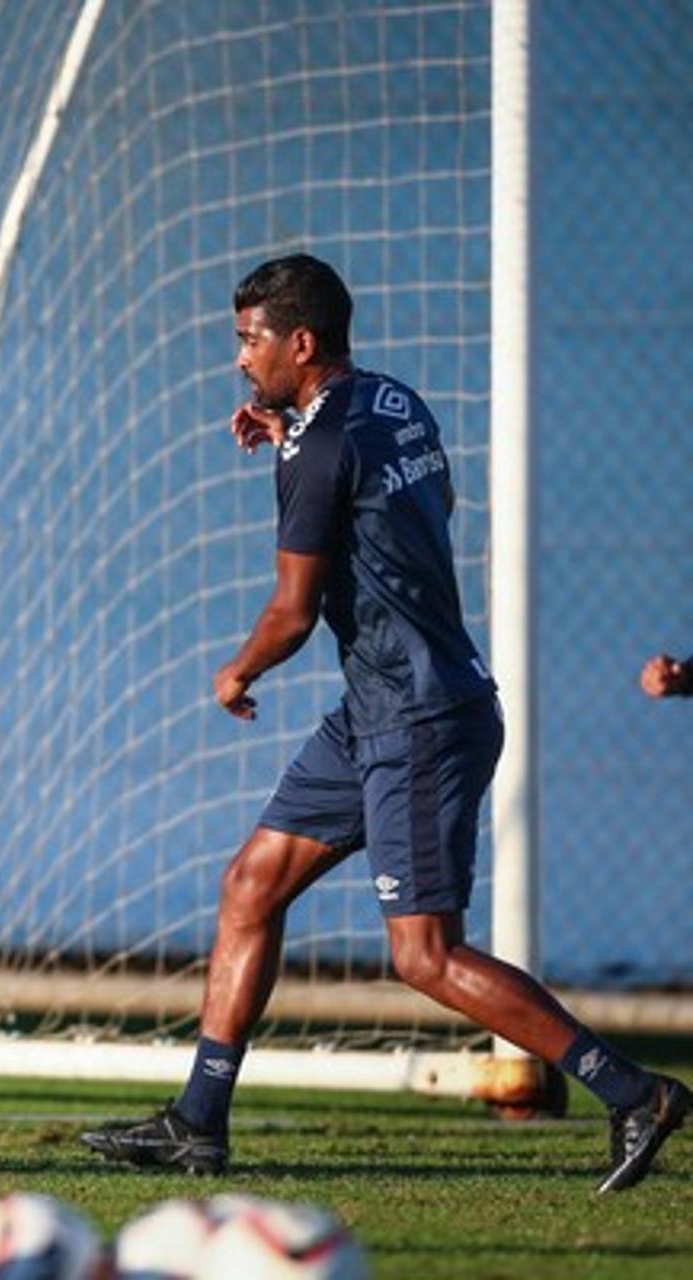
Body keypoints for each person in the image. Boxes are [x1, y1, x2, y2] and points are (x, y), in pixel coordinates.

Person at [80, 254, 687, 1193]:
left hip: (419, 717)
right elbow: (405, 499)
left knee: (424, 955)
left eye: (250, 340)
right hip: (379, 708)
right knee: (251, 883)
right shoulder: (391, 404)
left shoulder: (320, 448)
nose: (240, 359)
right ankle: (196, 1121)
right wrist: (291, 437)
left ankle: (634, 1092)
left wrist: (237, 670)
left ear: (300, 342)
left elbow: (291, 609)